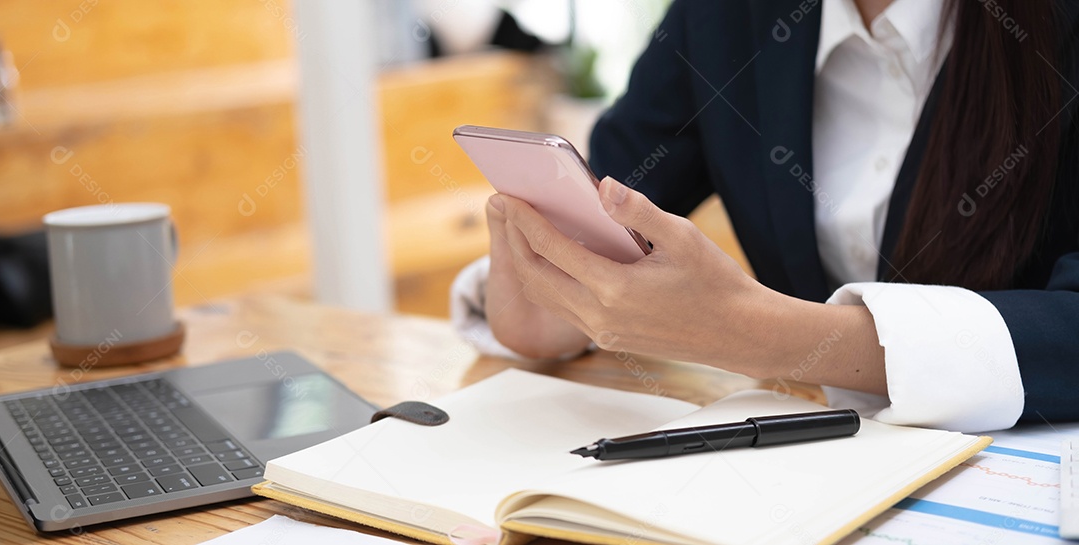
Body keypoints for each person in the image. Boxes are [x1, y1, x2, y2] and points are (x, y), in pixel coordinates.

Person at [451, 0, 1079, 432]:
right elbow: (617, 197)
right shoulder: (724, 16)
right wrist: (560, 292)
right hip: (806, 460)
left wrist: (756, 332)